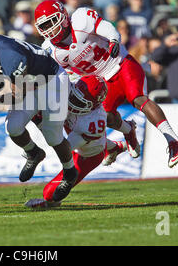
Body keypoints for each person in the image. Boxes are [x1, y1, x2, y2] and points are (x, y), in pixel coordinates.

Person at [34, 0, 178, 168]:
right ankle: (129, 131)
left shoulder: (80, 19)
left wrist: (114, 40)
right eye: (44, 25)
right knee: (104, 117)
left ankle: (174, 140)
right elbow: (64, 75)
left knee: (137, 98)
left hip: (121, 64)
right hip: (102, 81)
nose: (49, 28)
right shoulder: (51, 51)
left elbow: (107, 28)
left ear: (63, 17)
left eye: (51, 21)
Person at [0, 34, 77, 202]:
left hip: (52, 81)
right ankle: (34, 153)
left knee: (52, 136)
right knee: (13, 127)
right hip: (30, 83)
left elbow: (17, 95)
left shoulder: (13, 58)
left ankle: (70, 171)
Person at [25, 75, 127, 208]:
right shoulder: (70, 88)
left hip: (88, 155)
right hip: (82, 135)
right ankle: (115, 147)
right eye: (74, 96)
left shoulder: (92, 121)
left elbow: (64, 147)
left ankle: (50, 203)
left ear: (93, 105)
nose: (73, 103)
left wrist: (40, 122)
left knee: (49, 194)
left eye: (80, 102)